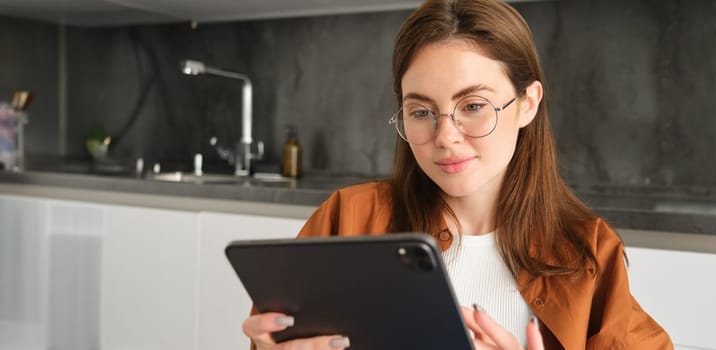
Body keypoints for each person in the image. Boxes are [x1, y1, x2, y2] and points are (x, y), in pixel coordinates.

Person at [242, 0, 673, 349]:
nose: (445, 137)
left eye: (473, 105)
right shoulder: (347, 218)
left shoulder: (588, 252)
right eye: (421, 112)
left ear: (527, 103)